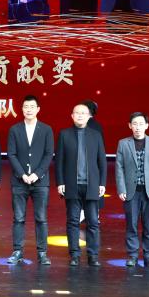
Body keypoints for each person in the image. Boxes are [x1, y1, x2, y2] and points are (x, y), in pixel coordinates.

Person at [56, 102, 107, 266]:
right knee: (72, 221)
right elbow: (59, 161)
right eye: (77, 113)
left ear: (89, 116)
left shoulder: (95, 135)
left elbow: (102, 161)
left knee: (93, 222)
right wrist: (60, 182)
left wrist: (102, 183)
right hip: (72, 184)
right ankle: (75, 255)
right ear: (72, 116)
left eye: (83, 113)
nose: (80, 115)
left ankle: (93, 255)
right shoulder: (64, 134)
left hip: (92, 185)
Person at [6, 95, 54, 265]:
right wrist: (22, 174)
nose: (29, 109)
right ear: (22, 109)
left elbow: (48, 154)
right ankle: (17, 251)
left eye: (32, 107)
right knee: (19, 218)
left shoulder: (46, 129)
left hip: (40, 182)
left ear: (38, 109)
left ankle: (42, 253)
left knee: (41, 218)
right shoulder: (15, 129)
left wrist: (37, 174)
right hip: (19, 182)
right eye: (26, 106)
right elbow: (11, 154)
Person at [115, 112, 149, 267]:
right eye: (134, 124)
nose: (138, 127)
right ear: (130, 125)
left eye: (141, 124)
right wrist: (121, 189)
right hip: (131, 191)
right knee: (131, 225)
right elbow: (119, 168)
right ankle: (132, 255)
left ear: (147, 126)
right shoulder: (123, 143)